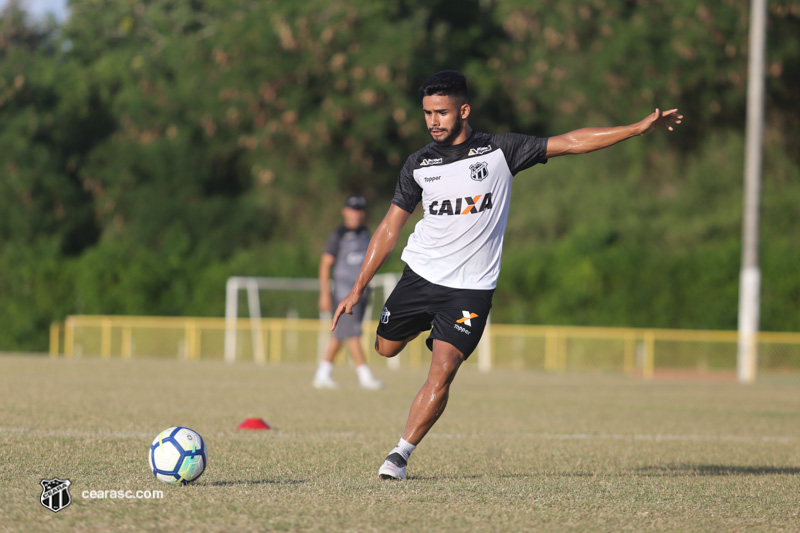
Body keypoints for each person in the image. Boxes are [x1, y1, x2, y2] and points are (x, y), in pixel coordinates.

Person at [331, 70, 682, 480]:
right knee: (385, 349)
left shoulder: (501, 150)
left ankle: (400, 455)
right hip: (421, 276)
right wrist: (358, 287)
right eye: (427, 113)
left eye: (441, 112)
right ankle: (415, 330)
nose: (433, 121)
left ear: (463, 110)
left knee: (443, 369)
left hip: (471, 291)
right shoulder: (418, 164)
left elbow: (571, 142)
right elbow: (390, 228)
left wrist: (638, 129)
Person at [313, 194, 384, 390]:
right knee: (353, 334)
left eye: (360, 210)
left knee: (340, 335)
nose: (356, 214)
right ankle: (365, 376)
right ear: (345, 211)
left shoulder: (366, 233)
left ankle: (322, 373)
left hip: (361, 292)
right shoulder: (338, 234)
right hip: (344, 294)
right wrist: (325, 293)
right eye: (353, 210)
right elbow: (325, 264)